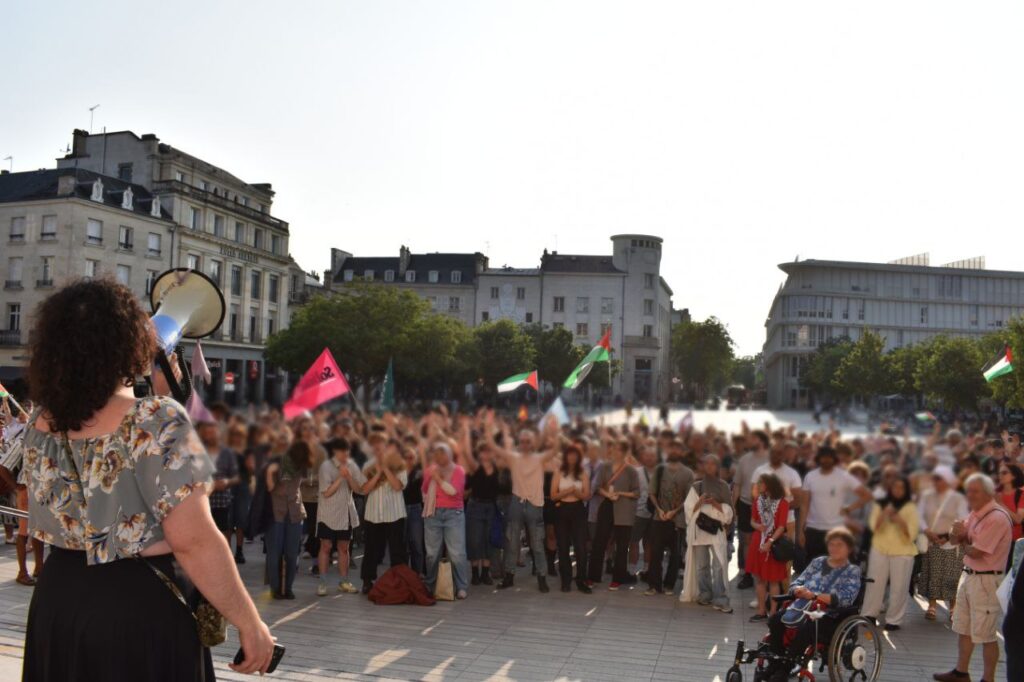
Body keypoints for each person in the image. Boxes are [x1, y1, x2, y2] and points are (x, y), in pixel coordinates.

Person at [19, 278, 274, 679]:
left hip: (59, 600)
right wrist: (249, 622)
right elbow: (195, 541)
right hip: (135, 609)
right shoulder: (155, 419)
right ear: (126, 344)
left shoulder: (39, 421)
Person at [933, 473, 1013, 682]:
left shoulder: (996, 517)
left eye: (975, 491)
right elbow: (953, 538)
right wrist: (957, 535)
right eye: (968, 491)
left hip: (986, 580)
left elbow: (976, 551)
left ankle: (988, 679)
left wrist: (960, 538)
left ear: (987, 493)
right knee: (964, 628)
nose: (970, 495)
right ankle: (961, 672)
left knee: (986, 635)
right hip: (970, 576)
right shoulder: (977, 513)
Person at [765, 527, 863, 682]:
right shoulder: (818, 562)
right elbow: (798, 580)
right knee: (775, 620)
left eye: (840, 545)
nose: (835, 548)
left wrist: (816, 596)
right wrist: (797, 589)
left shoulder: (852, 570)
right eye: (832, 544)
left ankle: (786, 667)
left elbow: (846, 598)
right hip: (803, 606)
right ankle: (776, 663)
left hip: (830, 614)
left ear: (849, 548)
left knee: (807, 627)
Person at [487, 414, 559, 593]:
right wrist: (493, 429)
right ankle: (509, 576)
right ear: (519, 442)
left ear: (533, 443)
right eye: (523, 441)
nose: (525, 444)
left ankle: (542, 578)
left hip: (535, 504)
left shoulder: (539, 458)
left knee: (537, 542)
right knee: (511, 541)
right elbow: (494, 448)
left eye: (528, 441)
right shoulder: (514, 457)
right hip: (517, 502)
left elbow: (556, 449)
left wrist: (554, 430)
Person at [862, 474, 919, 631]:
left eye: (901, 487)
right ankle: (869, 614)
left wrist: (900, 521)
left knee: (899, 587)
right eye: (895, 487)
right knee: (874, 583)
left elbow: (912, 534)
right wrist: (884, 514)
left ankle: (894, 619)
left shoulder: (910, 507)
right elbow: (874, 527)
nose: (898, 490)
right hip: (880, 548)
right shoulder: (880, 504)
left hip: (903, 551)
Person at [800, 446, 872, 564]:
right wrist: (801, 531)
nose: (826, 460)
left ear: (834, 459)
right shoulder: (810, 477)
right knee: (813, 568)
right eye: (823, 458)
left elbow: (866, 495)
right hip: (813, 530)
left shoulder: (844, 476)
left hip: (836, 530)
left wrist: (849, 509)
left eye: (829, 458)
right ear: (818, 459)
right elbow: (804, 504)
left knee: (836, 568)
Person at [682, 454, 735, 613]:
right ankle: (705, 593)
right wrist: (700, 501)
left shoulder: (724, 486)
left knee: (719, 565)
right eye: (707, 464)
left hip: (716, 531)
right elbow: (688, 510)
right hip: (699, 530)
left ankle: (720, 598)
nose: (710, 467)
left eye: (713, 464)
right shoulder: (696, 486)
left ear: (718, 467)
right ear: (704, 466)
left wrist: (715, 503)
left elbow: (730, 511)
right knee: (701, 566)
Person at [587, 438, 641, 590]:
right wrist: (607, 494)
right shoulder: (605, 466)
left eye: (617, 449)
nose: (614, 451)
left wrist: (621, 493)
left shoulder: (631, 470)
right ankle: (593, 576)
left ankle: (618, 578)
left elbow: (637, 492)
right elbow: (596, 486)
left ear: (624, 452)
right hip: (607, 506)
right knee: (599, 542)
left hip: (624, 509)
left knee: (622, 546)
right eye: (613, 448)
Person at [918, 465, 968, 622]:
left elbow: (962, 518)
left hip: (952, 543)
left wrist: (948, 536)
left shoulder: (957, 497)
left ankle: (953, 608)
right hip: (932, 541)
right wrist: (927, 531)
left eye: (940, 479)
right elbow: (919, 515)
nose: (937, 482)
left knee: (952, 575)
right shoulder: (927, 495)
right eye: (935, 479)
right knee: (933, 573)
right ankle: (931, 606)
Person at [316, 437, 364, 596]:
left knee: (344, 548)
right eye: (342, 451)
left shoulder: (352, 465)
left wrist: (349, 477)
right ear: (335, 452)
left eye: (347, 451)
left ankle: (344, 581)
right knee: (326, 547)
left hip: (346, 513)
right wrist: (341, 477)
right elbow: (327, 492)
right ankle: (322, 582)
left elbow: (360, 490)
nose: (345, 455)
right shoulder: (326, 466)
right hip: (328, 514)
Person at [644, 442, 694, 596]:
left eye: (677, 448)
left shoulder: (688, 473)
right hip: (659, 518)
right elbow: (652, 493)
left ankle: (669, 585)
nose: (674, 450)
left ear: (682, 452)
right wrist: (659, 509)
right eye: (671, 447)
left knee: (675, 554)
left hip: (677, 520)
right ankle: (654, 585)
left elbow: (689, 498)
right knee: (656, 552)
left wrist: (675, 511)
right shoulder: (660, 469)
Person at [359, 438, 408, 594]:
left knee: (397, 549)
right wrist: (378, 472)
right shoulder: (368, 466)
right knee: (371, 550)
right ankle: (367, 581)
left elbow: (398, 486)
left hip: (395, 513)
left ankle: (400, 580)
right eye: (377, 449)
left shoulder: (398, 463)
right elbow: (364, 490)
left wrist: (386, 469)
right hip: (373, 514)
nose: (379, 452)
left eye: (382, 449)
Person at [422, 442, 469, 599]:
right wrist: (432, 478)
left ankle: (461, 586)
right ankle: (430, 584)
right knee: (432, 553)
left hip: (453, 514)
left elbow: (454, 492)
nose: (440, 457)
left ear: (449, 455)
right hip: (433, 514)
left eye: (443, 453)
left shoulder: (458, 471)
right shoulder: (430, 470)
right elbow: (424, 490)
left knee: (457, 553)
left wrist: (439, 480)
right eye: (437, 453)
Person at [266, 440, 311, 599]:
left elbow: (307, 480)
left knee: (292, 553)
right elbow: (269, 488)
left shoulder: (303, 464)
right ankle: (275, 588)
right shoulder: (276, 462)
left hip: (295, 511)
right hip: (276, 511)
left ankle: (289, 587)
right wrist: (269, 472)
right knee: (275, 553)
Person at [747, 473, 790, 621]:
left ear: (770, 484)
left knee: (773, 580)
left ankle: (773, 612)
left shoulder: (783, 503)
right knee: (760, 579)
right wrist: (757, 525)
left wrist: (769, 542)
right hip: (758, 542)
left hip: (773, 544)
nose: (759, 485)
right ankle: (761, 610)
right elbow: (752, 520)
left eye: (761, 483)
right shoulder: (758, 500)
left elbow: (781, 527)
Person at [550, 443, 592, 593]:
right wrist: (568, 491)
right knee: (563, 547)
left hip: (578, 510)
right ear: (566, 457)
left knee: (581, 547)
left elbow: (587, 495)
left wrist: (577, 493)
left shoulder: (583, 473)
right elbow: (553, 495)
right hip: (562, 510)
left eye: (575, 455)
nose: (572, 457)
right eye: (570, 455)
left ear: (578, 457)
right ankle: (565, 581)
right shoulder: (559, 472)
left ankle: (581, 580)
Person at [733, 429, 770, 590]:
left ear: (760, 441)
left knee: (766, 541)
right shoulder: (744, 460)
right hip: (746, 504)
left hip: (767, 506)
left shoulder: (770, 459)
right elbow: (737, 485)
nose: (749, 441)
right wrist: (733, 506)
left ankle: (765, 574)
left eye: (752, 439)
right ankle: (747, 574)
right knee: (746, 540)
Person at [464, 441, 499, 585]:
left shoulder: (496, 468)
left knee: (488, 540)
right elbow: (466, 453)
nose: (486, 454)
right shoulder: (475, 467)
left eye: (488, 451)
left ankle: (485, 573)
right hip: (476, 505)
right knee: (475, 540)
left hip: (490, 506)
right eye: (483, 451)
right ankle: (474, 574)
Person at [200, 421, 240, 545]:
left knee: (223, 532)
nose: (210, 435)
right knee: (204, 533)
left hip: (222, 501)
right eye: (207, 433)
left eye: (212, 432)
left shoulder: (227, 453)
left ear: (219, 433)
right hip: (202, 500)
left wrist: (227, 481)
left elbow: (237, 476)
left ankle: (224, 557)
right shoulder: (198, 452)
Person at [226, 424, 252, 564]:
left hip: (242, 486)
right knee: (229, 521)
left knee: (241, 520)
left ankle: (239, 551)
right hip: (229, 485)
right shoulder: (226, 450)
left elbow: (252, 469)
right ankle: (228, 551)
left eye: (239, 435)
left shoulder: (247, 451)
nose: (237, 438)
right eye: (235, 435)